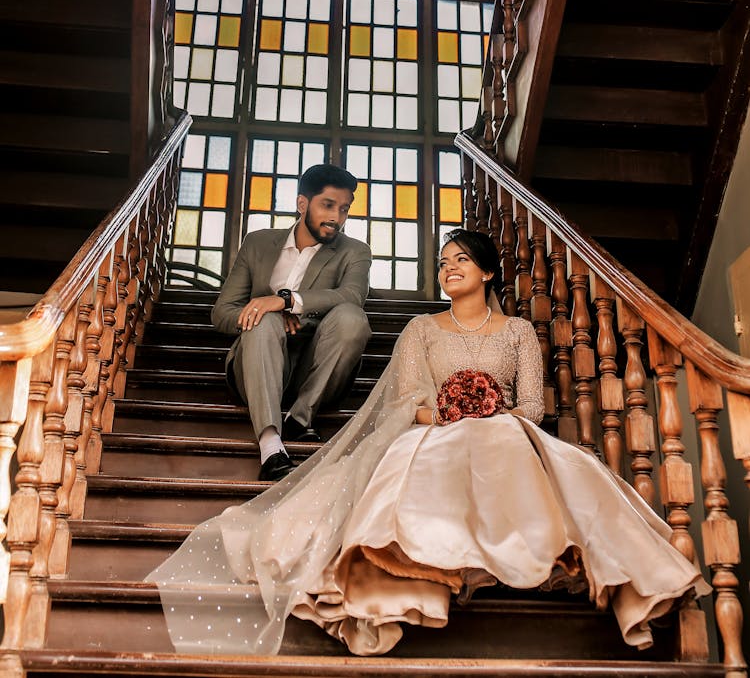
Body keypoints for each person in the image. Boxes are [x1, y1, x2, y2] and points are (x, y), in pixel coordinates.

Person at [151, 228, 710, 656]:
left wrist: (490, 408)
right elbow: (405, 401)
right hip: (435, 430)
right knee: (434, 456)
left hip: (503, 429)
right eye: (442, 264)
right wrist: (446, 410)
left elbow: (534, 409)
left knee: (513, 443)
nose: (448, 270)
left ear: (488, 271)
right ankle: (431, 563)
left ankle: (535, 549)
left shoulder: (518, 332)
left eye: (460, 260)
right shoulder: (419, 329)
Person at [211, 163, 372, 482]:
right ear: (303, 204)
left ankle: (300, 418)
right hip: (254, 365)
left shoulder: (355, 251)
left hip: (315, 371)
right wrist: (268, 312)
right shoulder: (258, 243)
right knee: (263, 319)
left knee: (353, 318)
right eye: (328, 205)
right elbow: (222, 313)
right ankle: (271, 447)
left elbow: (352, 295)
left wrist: (288, 302)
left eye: (344, 209)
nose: (336, 218)